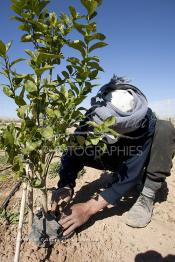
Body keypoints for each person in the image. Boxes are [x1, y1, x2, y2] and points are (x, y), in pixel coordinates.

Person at [51, 76, 175, 238]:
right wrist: (65, 184)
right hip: (116, 154)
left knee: (165, 129)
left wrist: (88, 208)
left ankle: (147, 194)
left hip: (139, 154)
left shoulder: (144, 124)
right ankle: (117, 171)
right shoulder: (94, 116)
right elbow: (73, 152)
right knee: (83, 146)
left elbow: (132, 172)